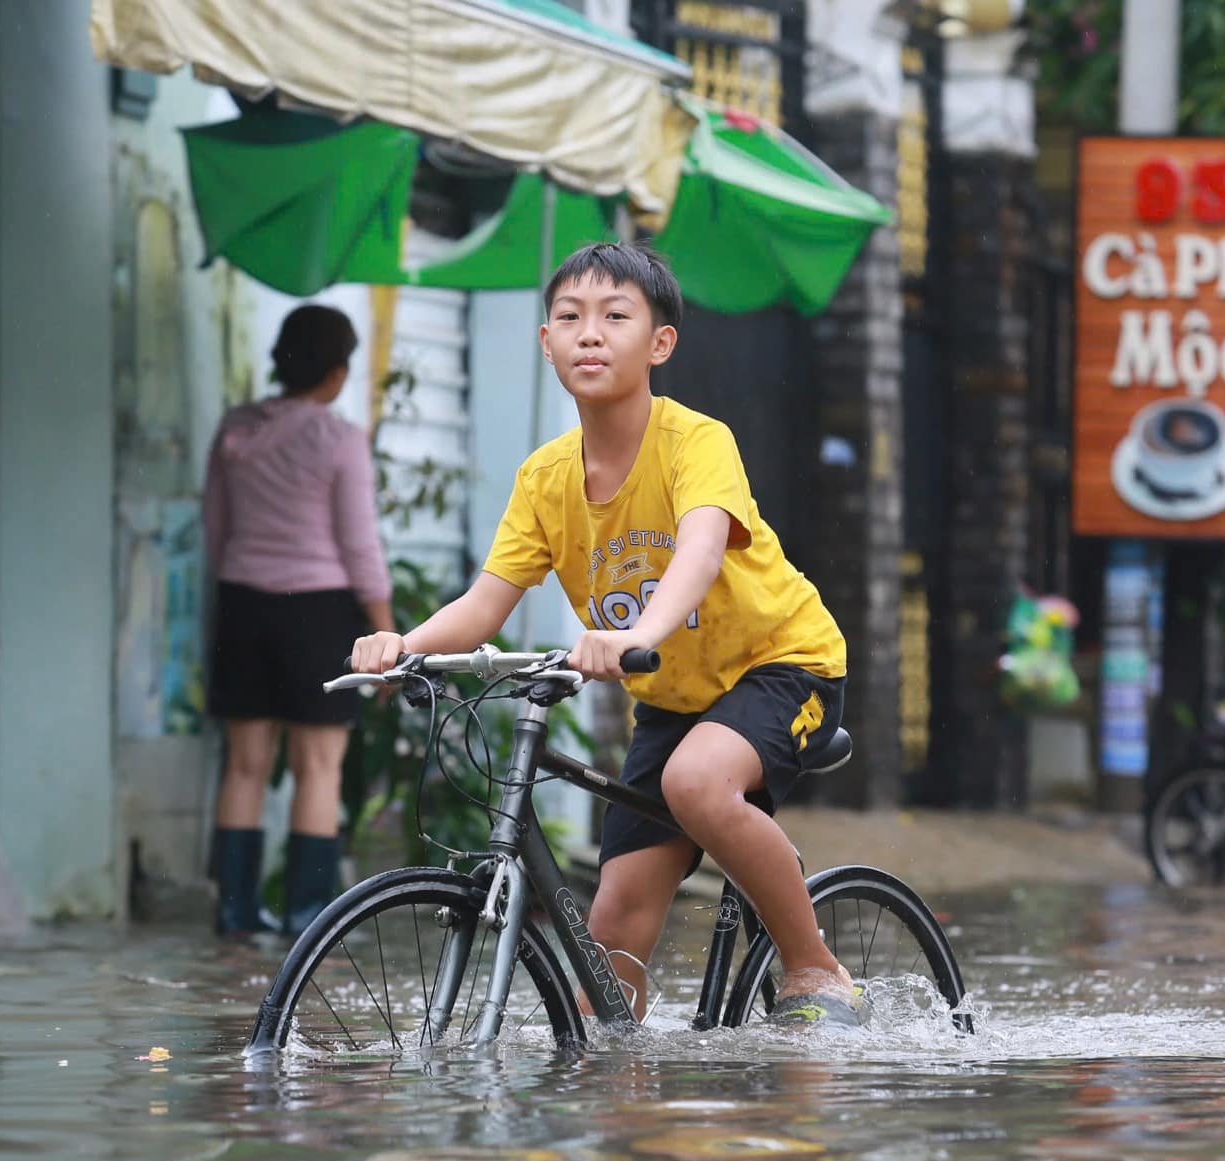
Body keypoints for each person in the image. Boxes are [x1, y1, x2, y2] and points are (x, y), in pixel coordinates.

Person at [349, 242, 865, 1026]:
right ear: (546, 342)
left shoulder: (696, 442)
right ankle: (622, 1121)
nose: (590, 333)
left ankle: (814, 966)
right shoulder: (545, 477)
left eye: (615, 316)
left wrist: (638, 633)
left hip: (781, 664)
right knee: (608, 952)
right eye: (569, 317)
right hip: (674, 696)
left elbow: (698, 547)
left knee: (693, 784)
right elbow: (488, 604)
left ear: (660, 343)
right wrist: (403, 645)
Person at [204, 305, 395, 937]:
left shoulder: (235, 431)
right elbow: (360, 546)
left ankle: (233, 914)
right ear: (337, 373)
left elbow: (216, 528)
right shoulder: (338, 439)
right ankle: (308, 918)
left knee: (243, 765)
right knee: (319, 765)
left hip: (242, 602)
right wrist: (386, 628)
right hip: (317, 609)